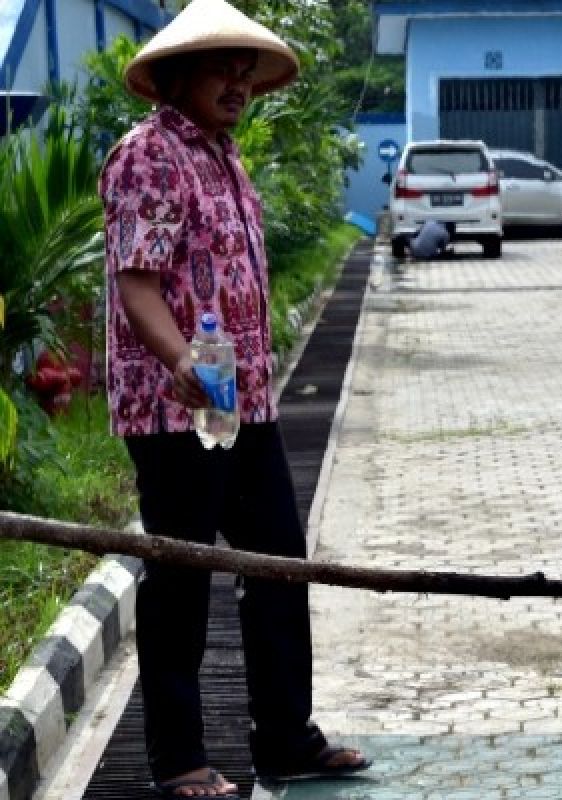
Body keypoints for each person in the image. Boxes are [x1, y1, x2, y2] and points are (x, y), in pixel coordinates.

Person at [99, 0, 370, 795]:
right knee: (182, 574)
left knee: (278, 562)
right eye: (224, 67)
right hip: (174, 408)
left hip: (242, 404)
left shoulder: (223, 157)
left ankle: (284, 737)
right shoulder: (147, 157)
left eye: (246, 70)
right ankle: (179, 760)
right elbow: (137, 285)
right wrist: (182, 360)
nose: (240, 84)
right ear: (177, 75)